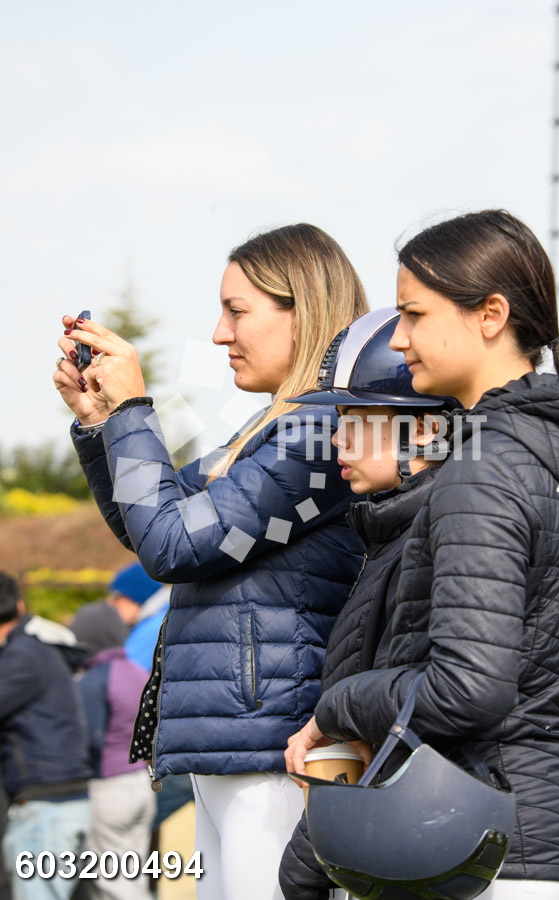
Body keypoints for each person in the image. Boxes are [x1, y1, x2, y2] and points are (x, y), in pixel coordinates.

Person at [285, 210, 559, 900]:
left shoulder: (483, 471)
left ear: (491, 315)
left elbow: (469, 690)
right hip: (543, 838)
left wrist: (339, 705)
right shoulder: (550, 457)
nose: (399, 339)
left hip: (480, 845)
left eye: (414, 315)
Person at [53, 223, 369, 900]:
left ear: (303, 310)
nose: (221, 334)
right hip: (236, 739)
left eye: (237, 311)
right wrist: (101, 422)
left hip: (272, 749)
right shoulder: (267, 432)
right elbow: (151, 528)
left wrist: (133, 409)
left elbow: (174, 544)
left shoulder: (320, 437)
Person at [277, 308, 458, 899]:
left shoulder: (427, 540)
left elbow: (403, 728)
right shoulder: (390, 533)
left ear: (424, 431)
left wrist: (301, 870)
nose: (337, 439)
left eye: (355, 420)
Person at [0, 572, 91, 900]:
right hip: (55, 803)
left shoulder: (21, 657)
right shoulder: (34, 650)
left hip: (47, 808)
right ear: (20, 606)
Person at [70, 600, 156, 900]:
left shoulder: (94, 679)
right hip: (140, 783)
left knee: (112, 883)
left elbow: (88, 739)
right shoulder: (138, 672)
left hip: (109, 787)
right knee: (134, 877)